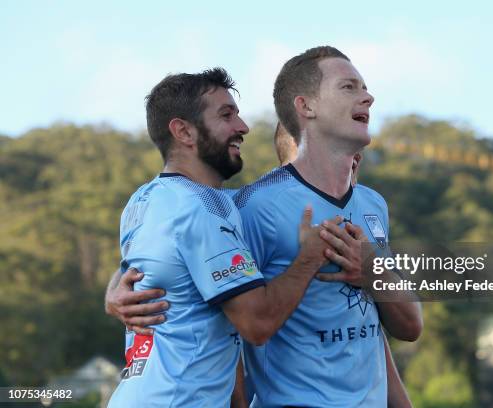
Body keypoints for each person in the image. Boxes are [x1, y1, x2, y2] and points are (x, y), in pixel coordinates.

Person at [107, 120, 415, 407]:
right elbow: (230, 311)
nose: (346, 159)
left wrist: (376, 273)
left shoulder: (372, 204)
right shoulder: (249, 209)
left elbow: (374, 326)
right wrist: (117, 286)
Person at [106, 68, 343, 407]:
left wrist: (111, 292)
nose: (243, 127)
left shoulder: (144, 200)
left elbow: (142, 271)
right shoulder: (201, 208)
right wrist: (309, 257)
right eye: (226, 115)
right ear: (184, 131)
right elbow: (257, 323)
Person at [233, 46, 423, 407]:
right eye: (348, 87)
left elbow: (404, 328)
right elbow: (221, 331)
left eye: (364, 87)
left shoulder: (373, 205)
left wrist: (371, 272)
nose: (368, 96)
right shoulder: (255, 206)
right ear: (306, 107)